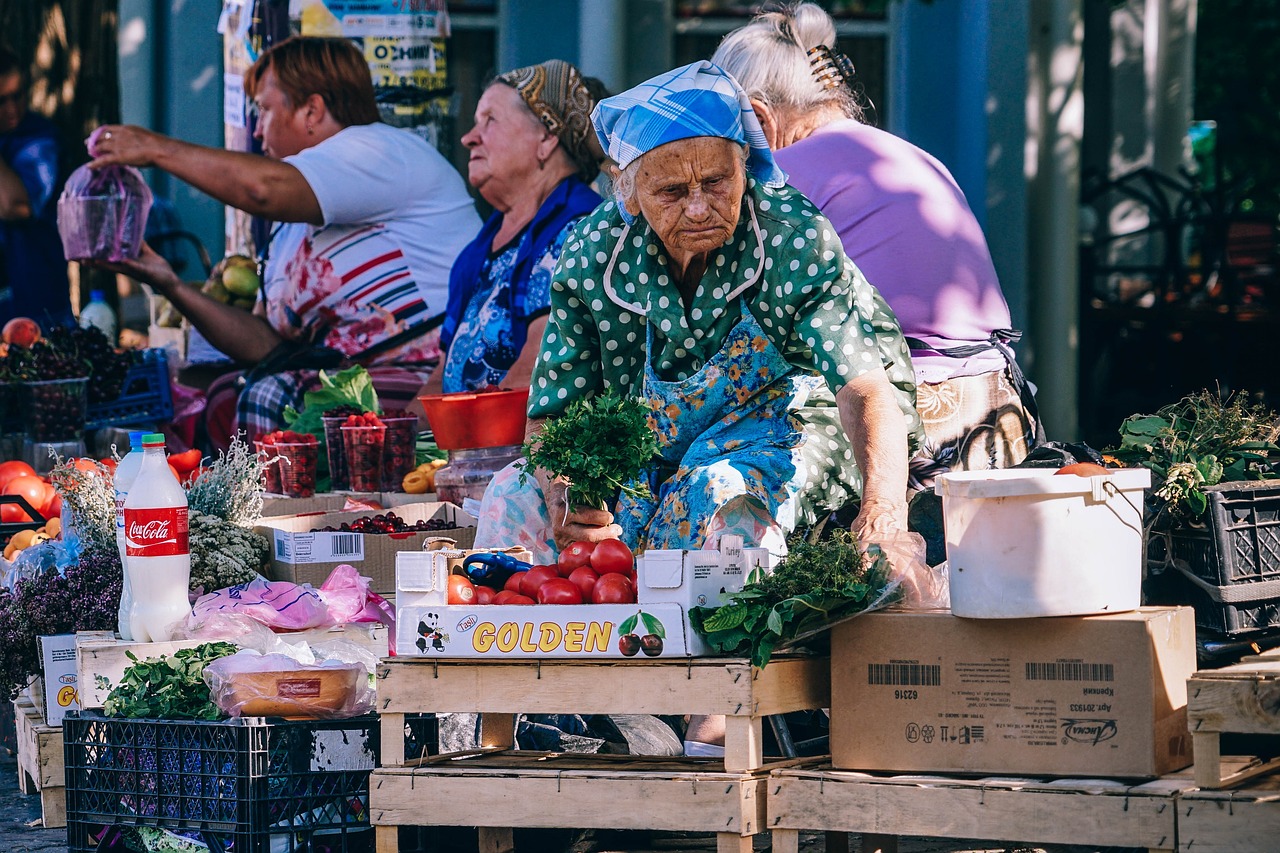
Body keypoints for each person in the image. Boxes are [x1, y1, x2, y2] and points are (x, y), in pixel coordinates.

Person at [474, 60, 930, 586]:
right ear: (627, 189)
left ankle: (699, 661)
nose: (697, 209)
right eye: (670, 191)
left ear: (747, 167)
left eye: (716, 182)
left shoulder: (790, 237)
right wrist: (565, 492)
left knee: (714, 492)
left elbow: (864, 389)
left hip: (783, 431)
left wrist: (882, 515)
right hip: (646, 447)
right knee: (512, 491)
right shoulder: (592, 254)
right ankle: (541, 651)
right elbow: (554, 413)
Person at [713, 3, 1040, 490]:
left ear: (757, 116)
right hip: (1002, 409)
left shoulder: (781, 176)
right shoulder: (910, 155)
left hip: (912, 419)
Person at [90, 37, 480, 444]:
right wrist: (167, 282)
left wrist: (155, 149)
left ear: (311, 109)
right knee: (220, 390)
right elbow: (266, 345)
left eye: (263, 109)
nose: (257, 131)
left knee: (264, 394)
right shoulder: (291, 226)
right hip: (336, 389)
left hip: (425, 390)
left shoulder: (381, 151)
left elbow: (262, 189)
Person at [418, 59, 605, 397]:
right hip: (465, 443)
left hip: (512, 445)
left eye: (490, 120)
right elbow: (439, 378)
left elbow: (534, 370)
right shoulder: (482, 249)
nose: (468, 138)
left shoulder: (579, 232)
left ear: (546, 137)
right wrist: (392, 437)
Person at [0, 45, 74, 329]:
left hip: (37, 311)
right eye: (1, 101)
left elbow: (15, 206)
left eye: (17, 96)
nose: (12, 110)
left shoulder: (39, 140)